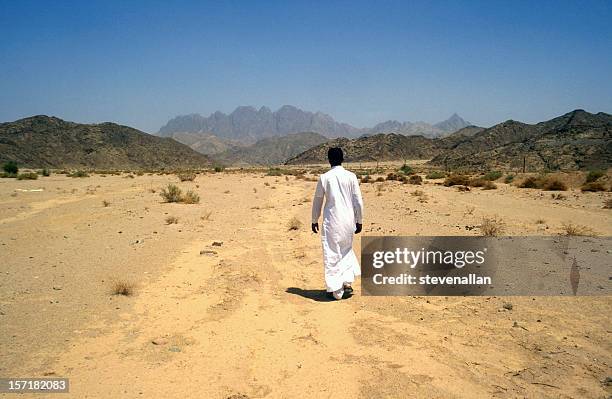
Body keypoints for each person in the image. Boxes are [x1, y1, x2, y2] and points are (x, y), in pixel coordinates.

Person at [311, 147, 364, 300]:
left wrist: (314, 219)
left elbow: (318, 201)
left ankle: (335, 290)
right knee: (346, 250)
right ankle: (347, 283)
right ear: (342, 159)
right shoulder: (351, 176)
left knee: (332, 253)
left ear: (329, 160)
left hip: (332, 222)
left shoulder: (325, 178)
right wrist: (359, 220)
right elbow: (358, 201)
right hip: (348, 222)